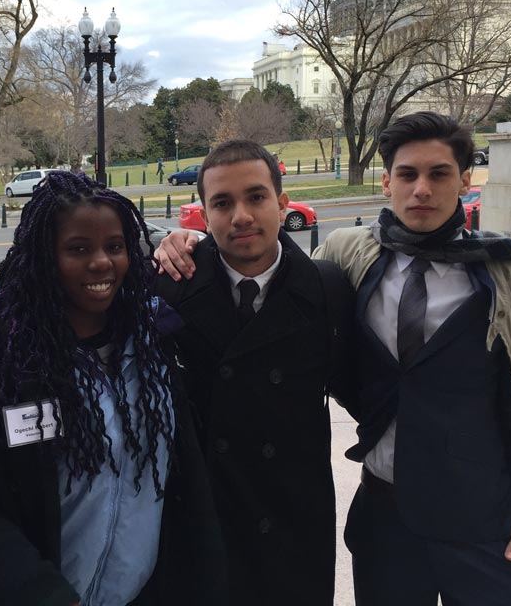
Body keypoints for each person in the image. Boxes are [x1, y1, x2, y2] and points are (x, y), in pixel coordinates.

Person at [312, 112, 511, 605]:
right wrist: (187, 247)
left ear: (465, 180)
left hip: (486, 525)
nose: (421, 188)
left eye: (438, 174)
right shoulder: (349, 254)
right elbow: (276, 282)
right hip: (384, 518)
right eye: (408, 174)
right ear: (387, 182)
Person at [0, 171, 226, 606]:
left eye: (115, 246)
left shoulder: (156, 347)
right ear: (44, 258)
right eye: (78, 249)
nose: (101, 262)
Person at [147, 140, 356, 604]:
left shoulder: (327, 290)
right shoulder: (168, 283)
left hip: (292, 521)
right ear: (204, 214)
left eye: (256, 197)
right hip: (202, 520)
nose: (241, 215)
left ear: (282, 205)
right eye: (222, 203)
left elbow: (365, 388)